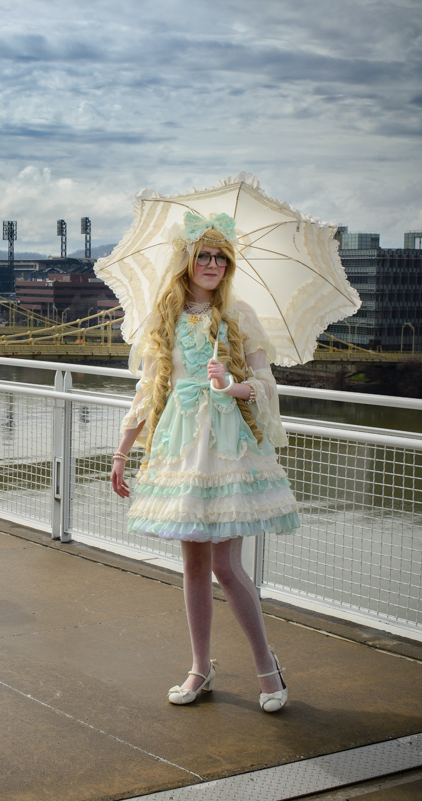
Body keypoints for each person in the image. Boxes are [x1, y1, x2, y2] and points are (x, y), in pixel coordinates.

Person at [110, 212, 300, 712]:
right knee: (193, 563)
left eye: (221, 256)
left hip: (227, 443)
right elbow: (149, 389)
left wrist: (230, 384)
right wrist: (122, 451)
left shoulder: (240, 317)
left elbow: (266, 386)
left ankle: (267, 668)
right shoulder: (164, 318)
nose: (213, 264)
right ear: (187, 261)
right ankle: (201, 668)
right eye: (205, 255)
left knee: (226, 564)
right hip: (179, 443)